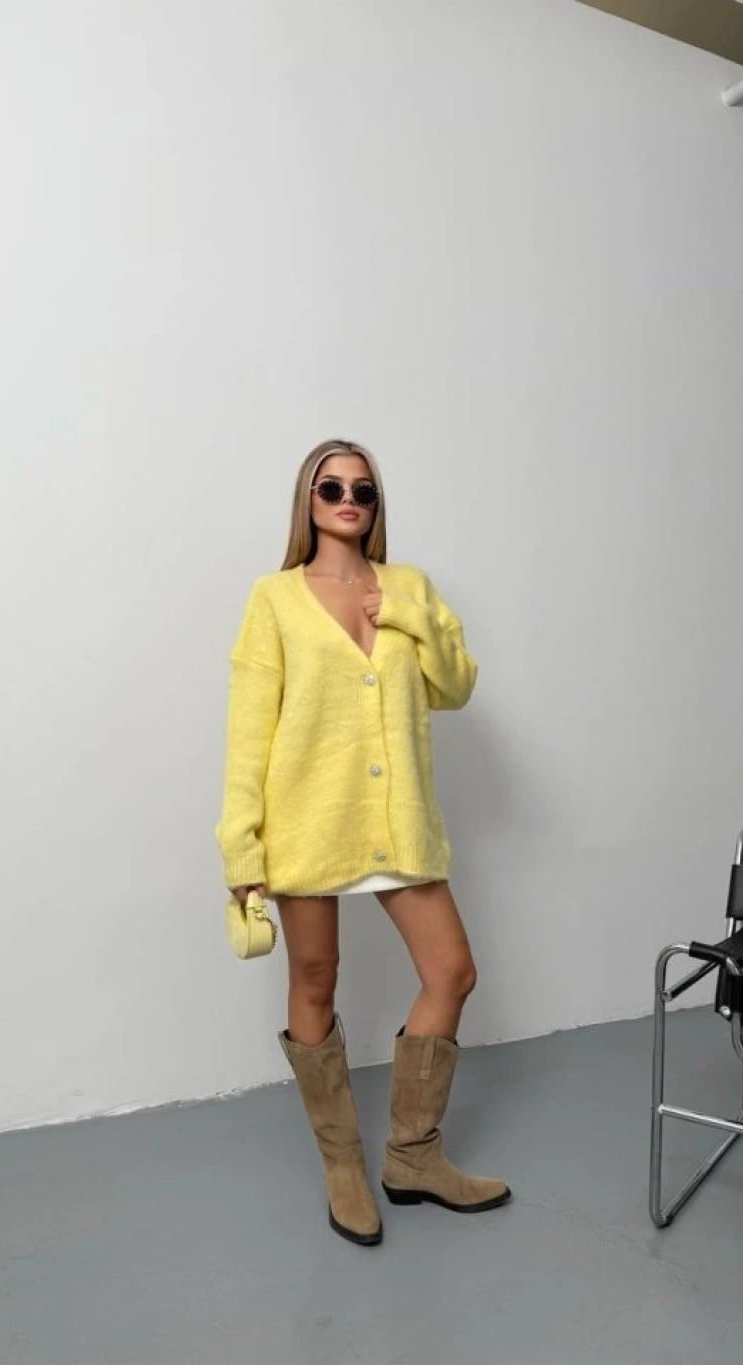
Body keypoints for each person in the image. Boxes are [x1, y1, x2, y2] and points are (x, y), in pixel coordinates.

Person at [217, 438, 510, 1247]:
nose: (349, 499)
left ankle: (413, 1156)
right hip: (309, 822)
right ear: (308, 500)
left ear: (377, 504)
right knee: (317, 979)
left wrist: (409, 618)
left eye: (364, 489)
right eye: (332, 487)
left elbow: (456, 686)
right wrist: (242, 847)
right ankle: (343, 1165)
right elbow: (249, 732)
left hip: (396, 822)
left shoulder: (407, 587)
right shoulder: (275, 598)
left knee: (451, 971)